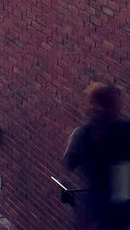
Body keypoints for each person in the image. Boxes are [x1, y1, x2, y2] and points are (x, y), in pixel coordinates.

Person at [64, 83, 130, 230]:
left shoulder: (84, 134)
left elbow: (69, 163)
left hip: (99, 208)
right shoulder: (125, 129)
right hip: (118, 207)